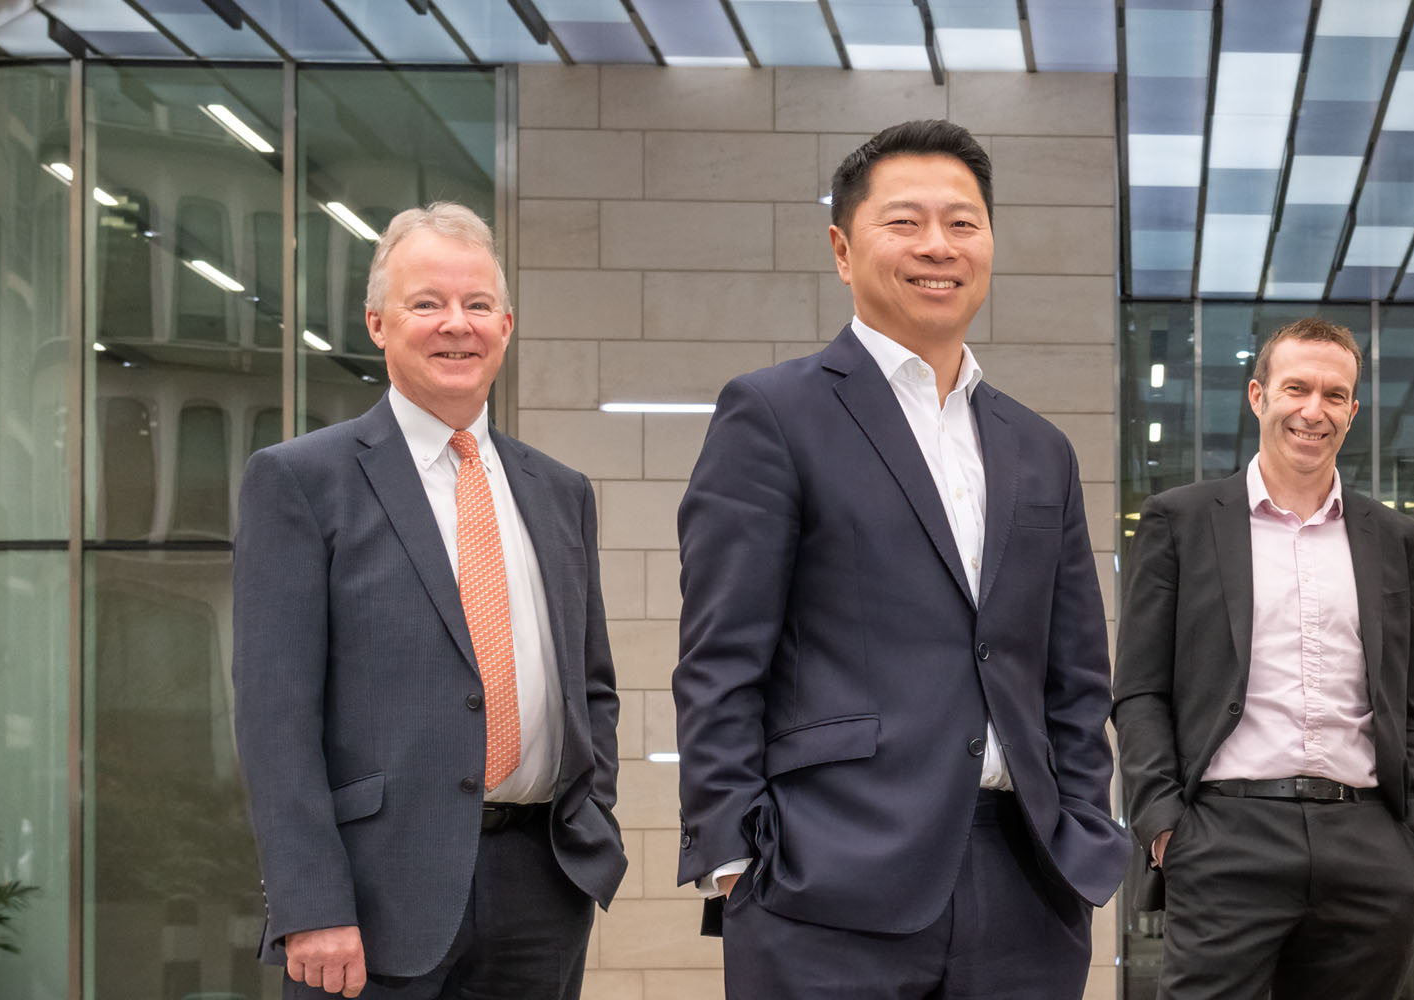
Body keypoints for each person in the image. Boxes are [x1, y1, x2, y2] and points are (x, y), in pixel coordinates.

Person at [673, 119, 1124, 1000]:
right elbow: (721, 658)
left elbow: (1073, 675)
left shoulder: (1039, 448)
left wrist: (1082, 830)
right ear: (843, 249)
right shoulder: (772, 414)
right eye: (904, 222)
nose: (937, 247)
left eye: (963, 223)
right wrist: (734, 856)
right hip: (827, 879)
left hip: (1028, 883)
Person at [231, 203, 624, 1000]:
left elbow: (592, 688)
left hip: (541, 887)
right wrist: (311, 903)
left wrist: (594, 823)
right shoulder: (302, 481)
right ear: (378, 323)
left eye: (478, 305)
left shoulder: (560, 492)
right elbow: (275, 716)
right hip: (371, 904)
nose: (457, 325)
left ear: (507, 325)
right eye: (427, 304)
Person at [1114, 317, 1414, 1000]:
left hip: (1368, 843)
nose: (1312, 411)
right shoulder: (1179, 520)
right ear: (1259, 395)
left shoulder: (1393, 536)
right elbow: (1140, 689)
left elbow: (1410, 699)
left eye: (1333, 395)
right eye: (1296, 388)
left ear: (1351, 412)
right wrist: (1163, 827)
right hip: (1224, 835)